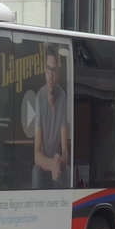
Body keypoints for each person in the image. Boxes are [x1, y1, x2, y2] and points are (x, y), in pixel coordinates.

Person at [32, 48, 70, 189]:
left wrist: (59, 163)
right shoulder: (39, 97)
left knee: (68, 171)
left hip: (56, 165)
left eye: (53, 71)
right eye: (48, 70)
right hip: (45, 165)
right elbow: (36, 155)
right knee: (35, 171)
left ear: (58, 74)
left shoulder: (62, 97)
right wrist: (52, 164)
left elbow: (65, 151)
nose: (51, 76)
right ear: (44, 72)